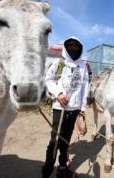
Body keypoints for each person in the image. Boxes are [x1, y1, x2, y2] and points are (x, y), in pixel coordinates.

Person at [42, 37, 89, 178]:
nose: (73, 49)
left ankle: (62, 167)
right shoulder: (59, 62)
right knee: (55, 140)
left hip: (74, 109)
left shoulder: (83, 66)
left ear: (80, 48)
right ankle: (47, 170)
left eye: (76, 46)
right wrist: (58, 93)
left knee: (65, 140)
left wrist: (82, 108)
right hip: (59, 107)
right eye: (70, 46)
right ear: (66, 47)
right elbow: (48, 80)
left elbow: (85, 87)